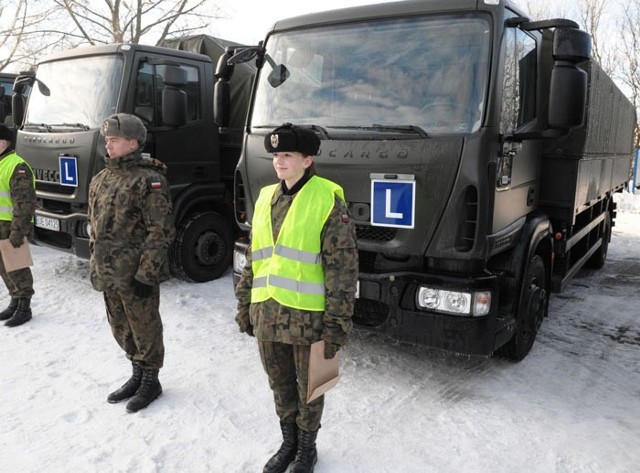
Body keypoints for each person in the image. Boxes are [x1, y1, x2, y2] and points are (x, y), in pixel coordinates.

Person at [235, 123, 358, 473]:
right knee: (280, 385)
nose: (279, 161)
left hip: (308, 320)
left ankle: (307, 449)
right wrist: (244, 305)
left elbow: (343, 270)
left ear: (307, 159)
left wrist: (337, 324)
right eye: (275, 155)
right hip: (268, 315)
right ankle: (288, 442)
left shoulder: (326, 198)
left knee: (310, 389)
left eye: (287, 155)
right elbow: (255, 258)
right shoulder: (265, 198)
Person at [88, 113, 175, 413]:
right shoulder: (101, 179)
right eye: (107, 140)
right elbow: (94, 227)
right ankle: (136, 373)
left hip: (136, 274)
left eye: (114, 140)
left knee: (145, 326)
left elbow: (160, 230)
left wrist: (146, 274)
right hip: (109, 272)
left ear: (133, 143)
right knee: (120, 326)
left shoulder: (149, 180)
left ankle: (151, 379)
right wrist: (95, 265)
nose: (108, 145)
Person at [0, 124, 36, 327]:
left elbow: (25, 203)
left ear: (4, 142)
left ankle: (25, 306)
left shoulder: (16, 166)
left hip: (11, 225)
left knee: (17, 266)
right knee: (3, 267)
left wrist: (18, 231)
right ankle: (14, 300)